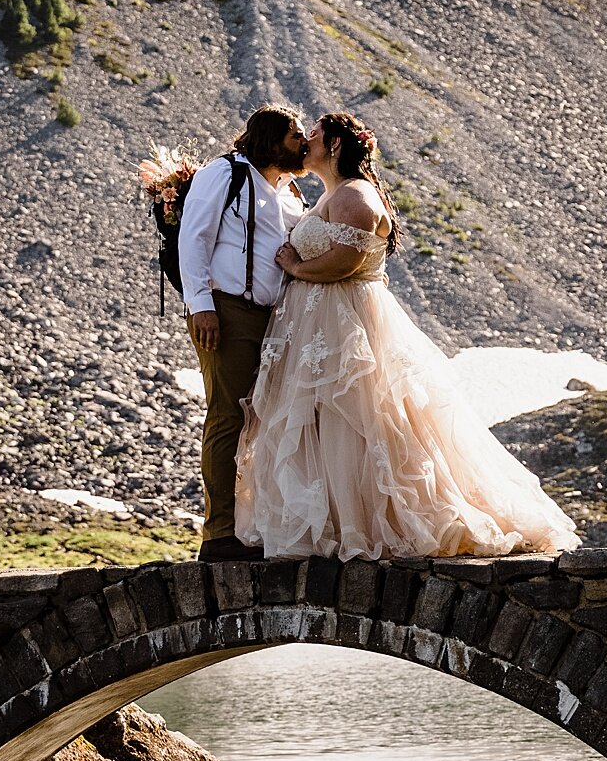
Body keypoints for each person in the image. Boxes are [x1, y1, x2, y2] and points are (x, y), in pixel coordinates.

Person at [235, 112, 579, 561]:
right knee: (323, 422)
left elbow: (344, 262)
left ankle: (373, 526)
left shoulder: (355, 195)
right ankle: (331, 524)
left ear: (336, 145)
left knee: (359, 418)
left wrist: (296, 267)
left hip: (345, 321)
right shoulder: (329, 195)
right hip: (315, 323)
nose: (305, 142)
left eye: (313, 136)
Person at [178, 105, 308, 561]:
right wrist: (202, 305)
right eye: (295, 135)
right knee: (228, 415)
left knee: (266, 422)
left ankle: (257, 527)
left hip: (275, 320)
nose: (304, 142)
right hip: (227, 312)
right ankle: (218, 536)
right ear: (271, 138)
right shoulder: (223, 173)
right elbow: (192, 238)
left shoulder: (287, 192)